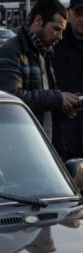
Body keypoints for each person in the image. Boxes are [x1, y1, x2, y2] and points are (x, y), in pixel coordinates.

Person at [0, 0, 80, 146]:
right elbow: (9, 100)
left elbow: (40, 101)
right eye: (56, 29)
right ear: (38, 21)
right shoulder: (10, 52)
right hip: (16, 147)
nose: (60, 37)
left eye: (62, 31)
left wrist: (61, 107)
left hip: (40, 145)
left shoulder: (44, 52)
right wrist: (57, 99)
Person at [52, 0, 83, 160]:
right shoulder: (55, 43)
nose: (82, 19)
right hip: (64, 135)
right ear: (69, 14)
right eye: (78, 13)